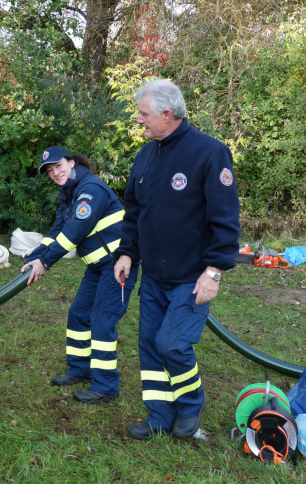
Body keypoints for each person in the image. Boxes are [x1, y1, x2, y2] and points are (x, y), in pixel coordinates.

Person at [113, 79, 240, 440]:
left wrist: (213, 271)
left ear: (167, 115)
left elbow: (226, 220)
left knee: (172, 345)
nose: (139, 120)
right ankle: (159, 414)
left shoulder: (209, 153)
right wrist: (127, 252)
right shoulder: (145, 155)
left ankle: (190, 407)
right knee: (151, 345)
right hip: (152, 275)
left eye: (143, 114)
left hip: (191, 276)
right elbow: (134, 212)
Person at [22, 146, 139, 404]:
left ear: (72, 162)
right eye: (50, 171)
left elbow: (74, 232)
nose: (55, 173)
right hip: (97, 266)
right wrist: (35, 255)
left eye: (59, 166)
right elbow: (57, 230)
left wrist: (45, 261)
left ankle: (106, 387)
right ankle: (80, 369)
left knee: (102, 320)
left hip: (117, 264)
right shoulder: (69, 194)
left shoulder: (90, 189)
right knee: (78, 314)